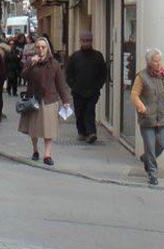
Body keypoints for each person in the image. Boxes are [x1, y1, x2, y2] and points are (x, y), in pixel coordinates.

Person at [20, 38, 72, 166]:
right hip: (33, 99)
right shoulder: (31, 62)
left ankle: (47, 155)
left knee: (49, 129)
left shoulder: (54, 64)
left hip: (49, 100)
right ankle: (35, 150)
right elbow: (23, 76)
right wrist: (31, 65)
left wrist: (66, 100)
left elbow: (61, 84)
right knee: (34, 129)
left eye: (43, 47)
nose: (40, 49)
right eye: (38, 47)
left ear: (48, 48)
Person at [130, 48, 164, 186]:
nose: (158, 63)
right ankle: (152, 173)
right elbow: (134, 94)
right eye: (155, 61)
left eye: (159, 60)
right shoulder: (142, 77)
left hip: (162, 116)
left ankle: (146, 159)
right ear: (149, 62)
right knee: (150, 146)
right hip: (147, 118)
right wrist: (141, 107)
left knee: (161, 144)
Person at [65, 30, 108, 144]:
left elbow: (103, 73)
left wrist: (98, 86)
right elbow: (69, 73)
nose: (86, 43)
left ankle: (91, 133)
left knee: (89, 111)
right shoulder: (75, 56)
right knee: (79, 112)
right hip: (78, 91)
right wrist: (73, 86)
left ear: (91, 42)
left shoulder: (98, 56)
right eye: (84, 41)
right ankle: (82, 132)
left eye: (88, 41)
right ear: (80, 42)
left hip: (93, 90)